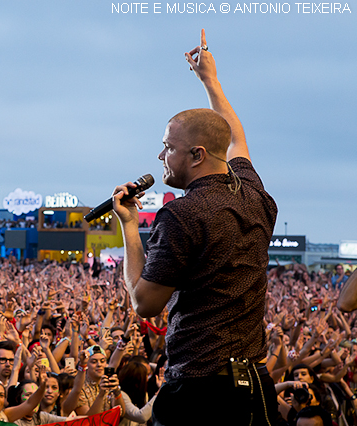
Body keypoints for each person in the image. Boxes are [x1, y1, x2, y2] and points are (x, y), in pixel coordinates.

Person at [112, 29, 278, 425]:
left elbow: (144, 304)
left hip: (200, 393)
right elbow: (234, 137)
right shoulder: (256, 195)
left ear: (197, 154)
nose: (160, 155)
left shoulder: (183, 214)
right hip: (255, 386)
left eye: (168, 146)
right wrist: (211, 80)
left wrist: (131, 227)